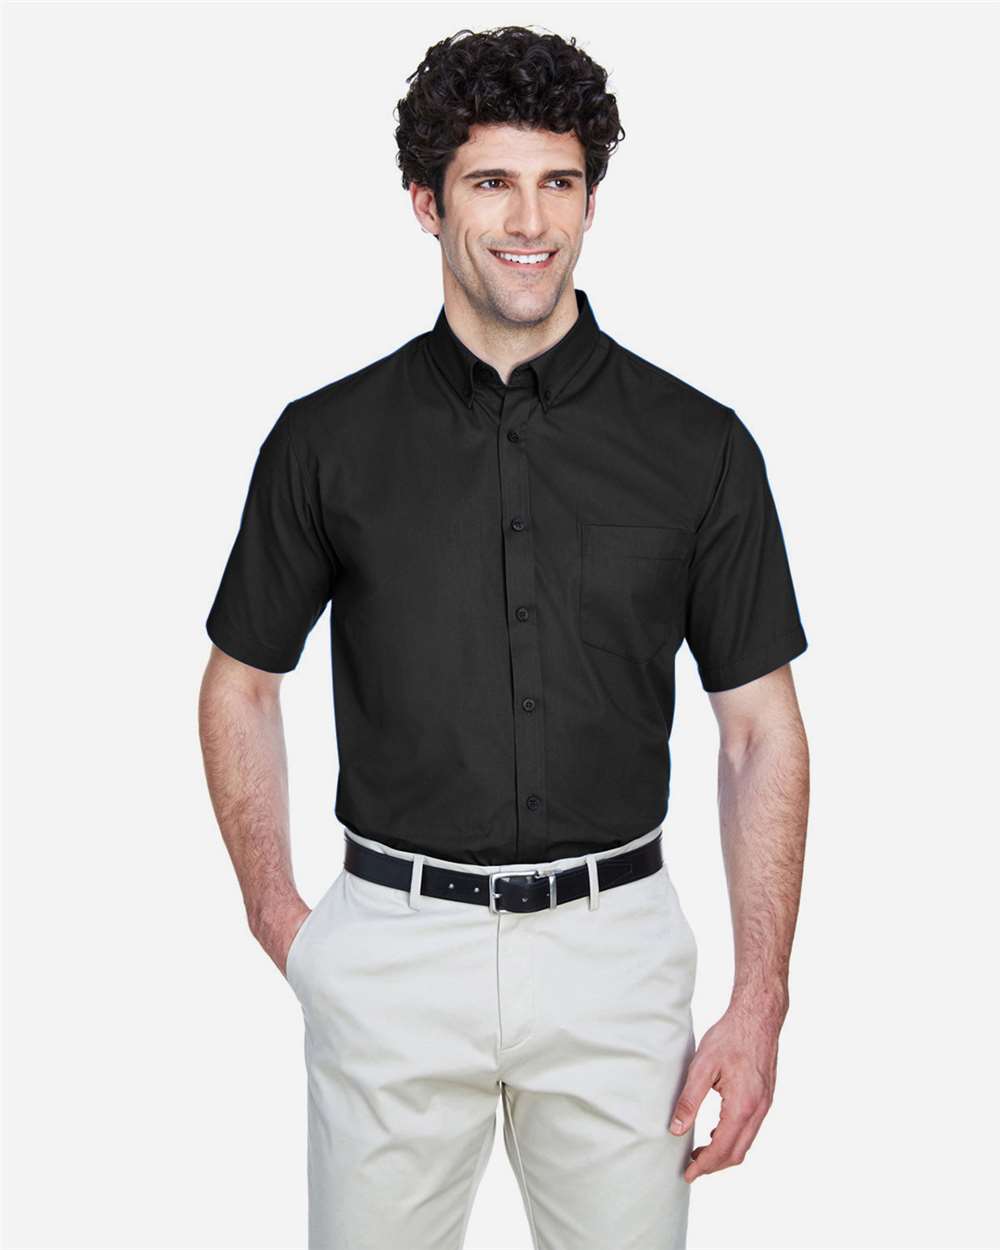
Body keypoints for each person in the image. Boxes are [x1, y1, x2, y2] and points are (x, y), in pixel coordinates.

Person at [198, 24, 810, 1250]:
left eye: (559, 181)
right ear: (426, 202)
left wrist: (760, 997)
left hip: (617, 961)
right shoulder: (326, 442)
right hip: (390, 954)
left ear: (589, 197)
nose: (530, 220)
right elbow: (240, 685)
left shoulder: (698, 446)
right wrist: (282, 920)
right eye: (490, 181)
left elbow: (760, 732)